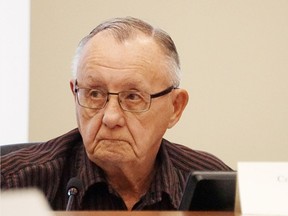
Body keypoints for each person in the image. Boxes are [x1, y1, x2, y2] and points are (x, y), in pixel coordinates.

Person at [1, 17, 232, 210]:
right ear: (75, 94)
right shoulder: (13, 182)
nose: (110, 117)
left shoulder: (213, 186)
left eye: (132, 97)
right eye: (94, 94)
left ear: (175, 107)